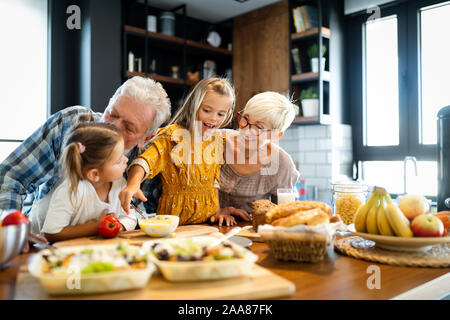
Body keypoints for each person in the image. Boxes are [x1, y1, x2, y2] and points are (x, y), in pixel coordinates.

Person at [0, 76, 171, 216]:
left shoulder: (149, 159)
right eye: (112, 114)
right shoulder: (70, 122)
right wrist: (13, 229)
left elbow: (147, 215)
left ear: (146, 138)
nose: (112, 127)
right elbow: (10, 178)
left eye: (129, 128)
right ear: (109, 102)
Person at [119, 78, 250, 226]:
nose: (214, 118)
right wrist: (133, 185)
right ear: (193, 106)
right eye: (207, 110)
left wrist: (218, 211)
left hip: (208, 224)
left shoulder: (218, 140)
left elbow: (213, 182)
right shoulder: (172, 136)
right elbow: (143, 162)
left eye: (221, 114)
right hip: (174, 226)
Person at [29, 121, 137, 242]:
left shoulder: (119, 183)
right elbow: (51, 233)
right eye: (118, 160)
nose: (126, 160)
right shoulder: (71, 191)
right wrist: (96, 227)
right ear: (94, 174)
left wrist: (119, 226)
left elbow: (130, 217)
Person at [219, 91, 300, 214]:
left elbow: (286, 213)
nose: (247, 131)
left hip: (250, 231)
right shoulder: (218, 140)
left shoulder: (282, 164)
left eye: (259, 127)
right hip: (203, 229)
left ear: (276, 136)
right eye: (245, 119)